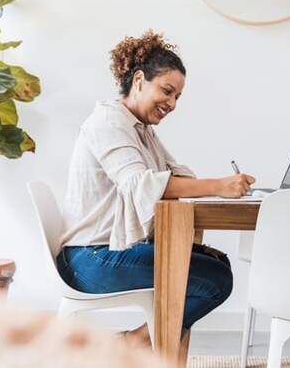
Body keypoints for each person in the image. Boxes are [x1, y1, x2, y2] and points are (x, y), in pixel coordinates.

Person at [57, 30, 256, 349]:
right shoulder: (108, 123)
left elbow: (174, 173)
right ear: (139, 80)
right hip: (91, 260)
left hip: (107, 253)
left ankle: (137, 343)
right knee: (215, 279)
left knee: (217, 266)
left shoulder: (141, 130)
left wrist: (208, 183)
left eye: (177, 96)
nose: (172, 103)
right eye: (167, 91)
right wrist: (219, 186)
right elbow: (140, 184)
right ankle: (132, 345)